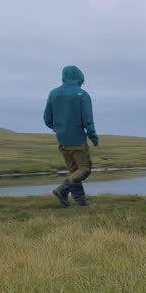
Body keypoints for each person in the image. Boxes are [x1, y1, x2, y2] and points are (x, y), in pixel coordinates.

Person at [43, 65, 99, 207]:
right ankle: (62, 189)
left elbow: (47, 119)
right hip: (78, 139)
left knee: (74, 170)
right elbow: (88, 120)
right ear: (80, 77)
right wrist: (93, 137)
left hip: (62, 139)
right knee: (84, 169)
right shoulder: (82, 95)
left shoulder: (53, 93)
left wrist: (59, 129)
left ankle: (80, 201)